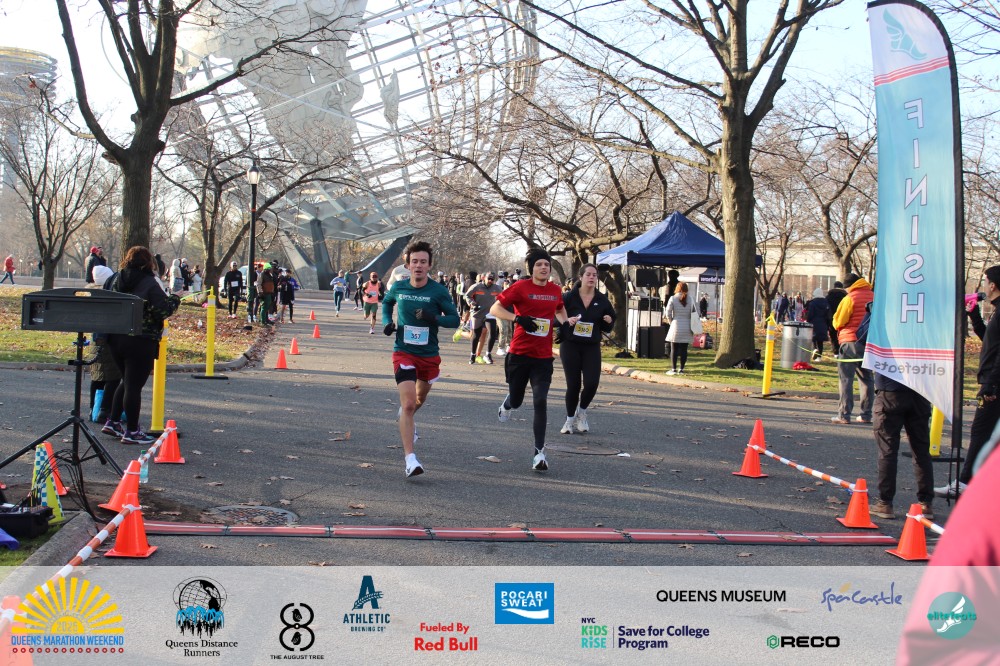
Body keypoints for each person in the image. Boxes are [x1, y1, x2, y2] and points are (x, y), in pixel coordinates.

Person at [381, 240, 460, 477]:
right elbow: (387, 303)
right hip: (403, 351)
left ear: (429, 266)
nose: (418, 266)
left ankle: (408, 419)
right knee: (407, 404)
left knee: (418, 399)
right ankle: (410, 459)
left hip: (428, 355)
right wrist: (387, 322)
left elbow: (454, 320)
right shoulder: (399, 287)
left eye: (423, 262)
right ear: (407, 265)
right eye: (414, 261)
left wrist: (433, 317)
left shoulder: (438, 291)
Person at [490, 248, 568, 472]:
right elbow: (495, 308)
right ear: (531, 269)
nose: (543, 268)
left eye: (546, 264)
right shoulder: (520, 287)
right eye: (539, 265)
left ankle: (539, 453)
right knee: (517, 400)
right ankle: (508, 404)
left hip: (543, 358)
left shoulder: (555, 290)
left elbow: (560, 309)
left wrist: (563, 325)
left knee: (540, 401)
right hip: (519, 355)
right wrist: (518, 319)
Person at [102, 246, 181, 445]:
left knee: (126, 381)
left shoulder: (114, 279)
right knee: (134, 386)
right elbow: (163, 310)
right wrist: (175, 298)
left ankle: (113, 421)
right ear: (148, 262)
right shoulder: (149, 283)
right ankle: (132, 431)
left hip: (115, 338)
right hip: (141, 339)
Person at [936, 265, 1000, 498]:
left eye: (985, 282)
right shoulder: (996, 311)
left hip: (994, 384)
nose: (983, 286)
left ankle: (964, 483)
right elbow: (990, 341)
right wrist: (974, 316)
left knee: (980, 432)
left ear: (993, 285)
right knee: (987, 434)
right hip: (992, 381)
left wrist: (991, 383)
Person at [869, 370, 934, 520]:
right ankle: (926, 503)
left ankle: (885, 502)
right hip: (920, 391)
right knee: (921, 450)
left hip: (890, 390)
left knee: (887, 450)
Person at [559, 264, 615, 434]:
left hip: (591, 346)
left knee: (591, 383)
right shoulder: (569, 297)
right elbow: (556, 317)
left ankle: (582, 412)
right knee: (573, 385)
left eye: (594, 275)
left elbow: (609, 324)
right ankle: (569, 420)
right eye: (588, 274)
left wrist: (608, 321)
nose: (591, 277)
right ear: (581, 277)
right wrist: (567, 321)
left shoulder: (602, 299)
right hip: (570, 345)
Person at [831, 273, 874, 424]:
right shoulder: (874, 296)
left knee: (846, 379)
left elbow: (839, 321)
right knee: (867, 378)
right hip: (868, 342)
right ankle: (866, 414)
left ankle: (844, 415)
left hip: (850, 341)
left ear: (849, 286)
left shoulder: (850, 298)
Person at [88, 264, 121, 423]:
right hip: (107, 341)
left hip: (94, 342)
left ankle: (93, 409)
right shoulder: (109, 296)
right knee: (112, 378)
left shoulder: (91, 295)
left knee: (97, 377)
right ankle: (105, 410)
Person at [464, 272, 503, 364]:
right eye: (489, 279)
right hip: (477, 313)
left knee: (493, 333)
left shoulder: (497, 288)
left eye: (492, 279)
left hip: (490, 313)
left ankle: (488, 354)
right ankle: (473, 354)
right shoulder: (476, 286)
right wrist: (472, 303)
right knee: (476, 335)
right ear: (484, 278)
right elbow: (467, 296)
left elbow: (503, 298)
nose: (490, 281)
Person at [665, 282, 694, 375]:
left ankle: (673, 369)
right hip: (687, 326)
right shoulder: (691, 299)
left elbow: (668, 313)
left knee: (674, 348)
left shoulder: (673, 298)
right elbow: (695, 312)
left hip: (676, 324)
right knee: (684, 349)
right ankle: (681, 369)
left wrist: (671, 322)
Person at [805, 287, 831, 361]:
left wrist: (808, 320)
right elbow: (828, 315)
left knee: (813, 338)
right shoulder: (826, 303)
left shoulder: (813, 303)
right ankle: (819, 357)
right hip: (823, 324)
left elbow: (810, 314)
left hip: (814, 323)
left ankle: (814, 349)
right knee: (820, 341)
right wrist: (828, 325)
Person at [825, 281, 848, 353]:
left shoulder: (828, 297)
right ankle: (842, 349)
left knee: (833, 335)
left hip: (832, 319)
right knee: (842, 335)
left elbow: (826, 309)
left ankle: (835, 351)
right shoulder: (846, 297)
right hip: (843, 318)